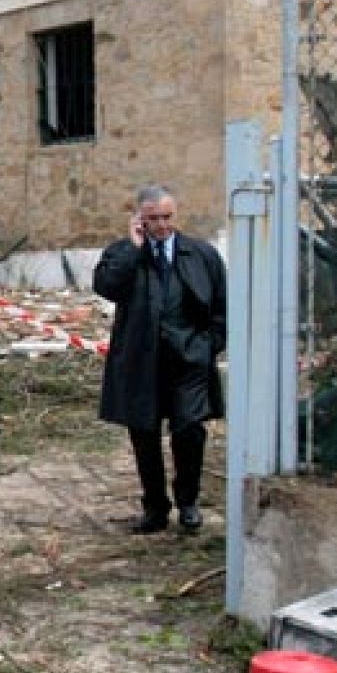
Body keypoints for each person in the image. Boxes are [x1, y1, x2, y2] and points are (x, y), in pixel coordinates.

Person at [94, 184, 227, 534]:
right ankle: (155, 507)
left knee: (189, 430)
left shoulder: (200, 254)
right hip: (141, 362)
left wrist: (207, 346)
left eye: (167, 217)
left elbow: (222, 307)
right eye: (153, 219)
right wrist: (133, 249)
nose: (162, 225)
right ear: (140, 219)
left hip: (188, 361)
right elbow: (106, 286)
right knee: (144, 435)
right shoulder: (125, 253)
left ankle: (188, 502)